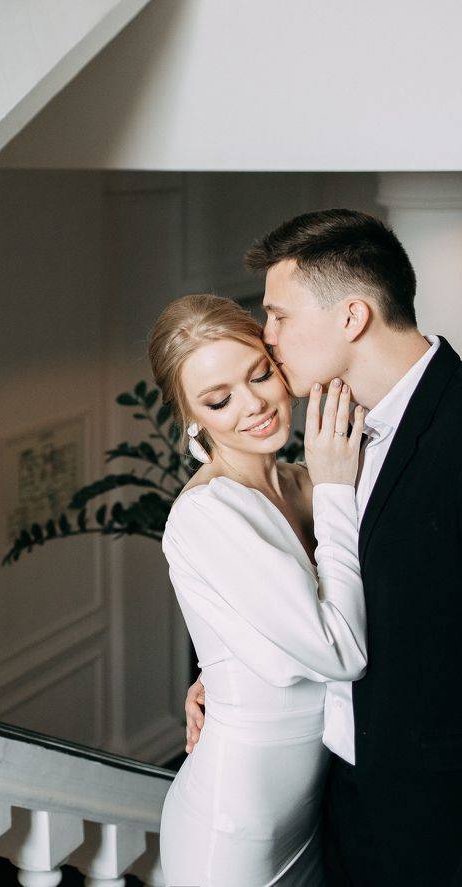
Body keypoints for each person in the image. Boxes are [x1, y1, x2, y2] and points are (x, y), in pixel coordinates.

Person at [182, 209, 462, 886]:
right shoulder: (335, 434)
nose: (267, 337)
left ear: (352, 317)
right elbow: (352, 604)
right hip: (355, 817)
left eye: (279, 315)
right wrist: (234, 679)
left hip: (460, 832)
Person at [150, 293, 369, 885]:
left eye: (260, 375)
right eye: (219, 400)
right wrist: (335, 492)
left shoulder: (305, 483)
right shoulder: (209, 513)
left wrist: (224, 671)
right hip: (232, 825)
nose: (253, 406)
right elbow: (342, 652)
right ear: (191, 417)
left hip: (311, 805)